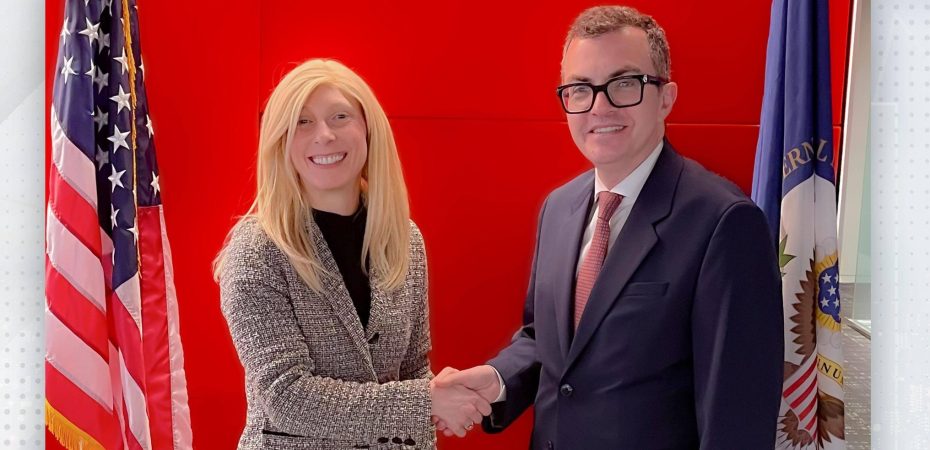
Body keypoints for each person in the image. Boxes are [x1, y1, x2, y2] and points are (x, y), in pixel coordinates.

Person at [433, 6, 784, 449]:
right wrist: (499, 378)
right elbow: (549, 342)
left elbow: (737, 416)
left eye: (624, 84)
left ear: (666, 97)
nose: (600, 107)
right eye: (580, 89)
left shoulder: (724, 222)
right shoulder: (558, 208)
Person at [214, 59, 489, 449]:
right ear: (280, 142)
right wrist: (428, 402)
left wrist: (441, 401)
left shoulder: (405, 240)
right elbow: (286, 397)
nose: (324, 135)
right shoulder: (257, 250)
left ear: (368, 129)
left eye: (339, 116)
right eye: (302, 122)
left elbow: (413, 370)